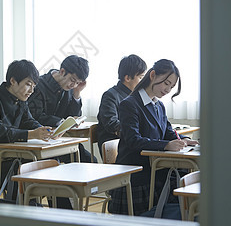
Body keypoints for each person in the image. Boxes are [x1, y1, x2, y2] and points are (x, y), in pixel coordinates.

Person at [107, 59, 198, 216]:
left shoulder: (158, 105)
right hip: (137, 171)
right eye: (166, 83)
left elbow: (168, 132)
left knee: (181, 174)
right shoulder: (130, 104)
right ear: (153, 75)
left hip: (155, 169)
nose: (168, 89)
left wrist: (184, 140)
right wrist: (165, 145)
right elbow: (133, 140)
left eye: (171, 86)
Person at [0, 60, 52, 197]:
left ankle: (63, 215)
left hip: (13, 158)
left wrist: (43, 131)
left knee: (49, 168)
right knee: (25, 170)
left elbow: (28, 121)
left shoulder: (21, 100)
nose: (32, 91)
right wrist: (31, 134)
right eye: (28, 84)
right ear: (13, 81)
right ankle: (24, 212)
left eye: (34, 86)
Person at [28, 55, 95, 163]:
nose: (73, 85)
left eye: (78, 82)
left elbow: (73, 115)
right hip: (42, 140)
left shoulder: (69, 88)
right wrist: (61, 122)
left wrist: (77, 93)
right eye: (72, 80)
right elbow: (35, 116)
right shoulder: (39, 86)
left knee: (90, 161)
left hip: (61, 139)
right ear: (62, 71)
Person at [96, 54, 147, 157]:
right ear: (127, 78)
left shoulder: (139, 96)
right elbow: (111, 124)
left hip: (132, 141)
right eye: (140, 78)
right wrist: (134, 128)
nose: (143, 82)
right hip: (116, 144)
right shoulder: (110, 95)